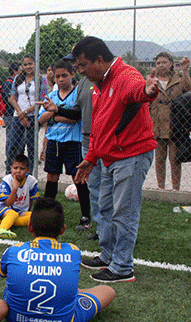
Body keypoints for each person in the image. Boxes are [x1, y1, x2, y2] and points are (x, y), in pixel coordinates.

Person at [41, 37, 159, 282]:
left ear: (100, 60)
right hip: (107, 156)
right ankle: (108, 255)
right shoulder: (99, 84)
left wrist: (149, 91)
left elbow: (139, 91)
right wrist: (92, 157)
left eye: (84, 65)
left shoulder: (127, 76)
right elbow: (99, 125)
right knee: (104, 206)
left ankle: (123, 267)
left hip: (131, 154)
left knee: (123, 211)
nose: (81, 71)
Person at [0, 197, 116, 322]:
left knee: (12, 282)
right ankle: (74, 293)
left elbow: (0, 271)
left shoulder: (14, 250)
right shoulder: (73, 251)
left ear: (29, 227)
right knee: (108, 291)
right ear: (63, 229)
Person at [38, 60, 92, 231]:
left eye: (64, 76)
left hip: (73, 143)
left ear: (72, 75)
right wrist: (54, 116)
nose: (61, 79)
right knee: (51, 177)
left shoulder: (78, 94)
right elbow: (41, 119)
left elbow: (77, 117)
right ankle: (48, 215)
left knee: (78, 178)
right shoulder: (51, 96)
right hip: (54, 142)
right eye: (57, 76)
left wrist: (54, 115)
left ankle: (85, 216)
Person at [150, 52, 191, 191]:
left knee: (175, 160)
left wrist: (185, 70)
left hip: (175, 126)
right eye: (158, 63)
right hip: (157, 126)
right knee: (159, 160)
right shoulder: (151, 80)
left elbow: (188, 89)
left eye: (164, 62)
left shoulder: (178, 79)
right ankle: (161, 189)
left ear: (171, 64)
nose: (161, 65)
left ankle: (176, 190)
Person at [6, 54, 49, 170]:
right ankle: (10, 172)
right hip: (18, 116)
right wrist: (20, 114)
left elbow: (42, 99)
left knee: (31, 147)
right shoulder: (18, 78)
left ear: (35, 64)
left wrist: (26, 112)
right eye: (25, 64)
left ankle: (30, 173)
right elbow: (12, 97)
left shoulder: (41, 80)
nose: (28, 66)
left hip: (33, 116)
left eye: (30, 63)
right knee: (13, 145)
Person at [0, 154, 40, 239]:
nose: (18, 171)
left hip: (16, 209)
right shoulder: (7, 181)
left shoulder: (31, 181)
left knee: (35, 216)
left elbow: (31, 200)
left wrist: (25, 212)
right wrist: (15, 188)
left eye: (22, 169)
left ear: (28, 170)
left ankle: (1, 221)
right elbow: (8, 203)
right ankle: (1, 229)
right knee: (12, 214)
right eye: (15, 168)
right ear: (11, 168)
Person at [2, 62, 23, 173]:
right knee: (11, 139)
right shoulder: (9, 83)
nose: (22, 72)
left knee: (18, 140)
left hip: (15, 114)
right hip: (10, 115)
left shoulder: (17, 82)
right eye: (20, 70)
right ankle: (9, 161)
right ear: (15, 71)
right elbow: (9, 98)